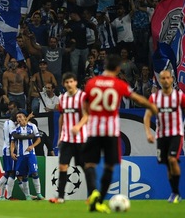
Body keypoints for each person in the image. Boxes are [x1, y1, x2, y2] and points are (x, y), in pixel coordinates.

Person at [83, 54, 158, 213]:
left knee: (89, 164)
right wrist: (151, 106)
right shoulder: (119, 84)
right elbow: (137, 98)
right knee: (109, 166)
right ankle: (100, 199)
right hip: (110, 131)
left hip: (94, 129)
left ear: (104, 65)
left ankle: (93, 193)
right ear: (118, 68)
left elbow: (85, 104)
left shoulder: (92, 83)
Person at [144, 70, 185, 204]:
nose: (166, 80)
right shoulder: (155, 98)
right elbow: (147, 116)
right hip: (161, 136)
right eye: (163, 78)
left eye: (168, 78)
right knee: (168, 165)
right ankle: (174, 192)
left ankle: (176, 193)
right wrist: (148, 133)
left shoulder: (179, 97)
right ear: (160, 81)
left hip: (176, 134)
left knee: (172, 160)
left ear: (172, 79)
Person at [49, 72, 88, 204]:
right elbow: (61, 117)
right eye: (67, 82)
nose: (69, 84)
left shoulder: (82, 96)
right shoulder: (63, 98)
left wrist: (78, 126)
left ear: (75, 82)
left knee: (85, 166)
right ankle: (60, 197)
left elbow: (87, 115)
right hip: (66, 139)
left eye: (71, 81)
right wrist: (59, 136)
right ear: (63, 84)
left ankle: (93, 195)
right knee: (62, 166)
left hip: (80, 138)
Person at [10, 111, 45, 200]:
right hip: (20, 155)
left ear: (25, 117)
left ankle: (39, 194)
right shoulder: (15, 129)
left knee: (34, 172)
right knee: (23, 176)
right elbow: (13, 142)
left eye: (20, 116)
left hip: (30, 154)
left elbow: (38, 139)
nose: (18, 118)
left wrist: (32, 146)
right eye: (17, 117)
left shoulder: (32, 126)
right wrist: (11, 152)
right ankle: (27, 195)